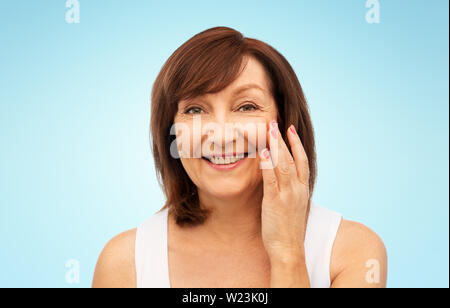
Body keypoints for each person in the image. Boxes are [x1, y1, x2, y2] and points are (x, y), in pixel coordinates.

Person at [92, 26, 387, 288]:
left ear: (285, 123)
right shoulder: (124, 263)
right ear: (172, 131)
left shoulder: (352, 253)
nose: (221, 135)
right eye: (195, 110)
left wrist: (287, 253)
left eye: (246, 107)